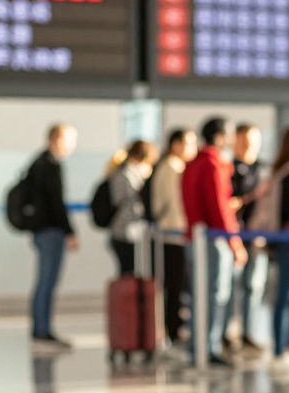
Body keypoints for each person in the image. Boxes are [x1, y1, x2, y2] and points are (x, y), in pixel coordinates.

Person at [248, 126, 289, 369]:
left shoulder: (280, 172)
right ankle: (280, 348)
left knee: (285, 293)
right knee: (288, 294)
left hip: (282, 239)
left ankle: (281, 347)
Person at [182, 116, 247, 367]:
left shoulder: (193, 163)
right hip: (212, 240)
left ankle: (196, 346)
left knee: (199, 294)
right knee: (215, 295)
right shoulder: (213, 164)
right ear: (220, 137)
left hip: (195, 238)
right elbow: (219, 208)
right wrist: (235, 243)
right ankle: (209, 346)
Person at [27, 123, 79, 349]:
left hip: (43, 230)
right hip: (50, 231)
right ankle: (42, 331)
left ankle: (42, 329)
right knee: (47, 282)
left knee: (45, 281)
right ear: (57, 139)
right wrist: (69, 231)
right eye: (70, 139)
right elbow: (56, 204)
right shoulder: (48, 165)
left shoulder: (40, 163)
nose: (72, 145)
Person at [152, 128, 197, 346]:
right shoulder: (171, 167)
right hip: (173, 235)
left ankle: (175, 328)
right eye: (189, 143)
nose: (193, 148)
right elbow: (175, 203)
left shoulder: (173, 166)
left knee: (177, 285)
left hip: (177, 234)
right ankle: (173, 331)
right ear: (176, 144)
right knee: (175, 285)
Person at [229, 123, 269, 356]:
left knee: (254, 287)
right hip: (232, 235)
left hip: (257, 237)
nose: (248, 146)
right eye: (244, 141)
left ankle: (248, 333)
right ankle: (227, 334)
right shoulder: (229, 169)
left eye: (253, 142)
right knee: (230, 288)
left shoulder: (263, 170)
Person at [105, 140, 158, 276]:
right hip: (124, 232)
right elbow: (126, 202)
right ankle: (126, 297)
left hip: (129, 231)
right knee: (127, 272)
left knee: (132, 271)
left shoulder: (129, 172)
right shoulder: (125, 174)